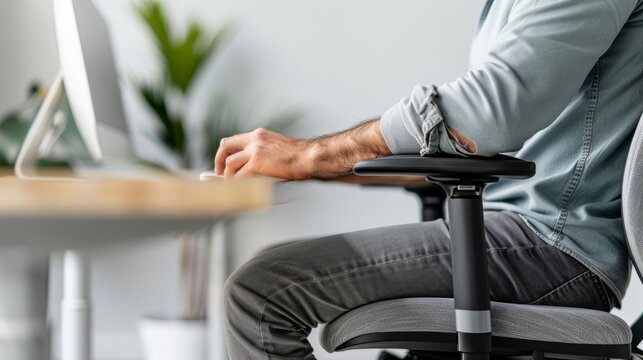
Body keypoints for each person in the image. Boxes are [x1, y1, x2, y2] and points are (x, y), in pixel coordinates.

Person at [214, 0, 643, 359]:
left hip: (553, 244)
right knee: (271, 272)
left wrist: (313, 155)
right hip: (517, 229)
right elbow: (480, 145)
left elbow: (489, 115)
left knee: (260, 294)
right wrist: (327, 167)